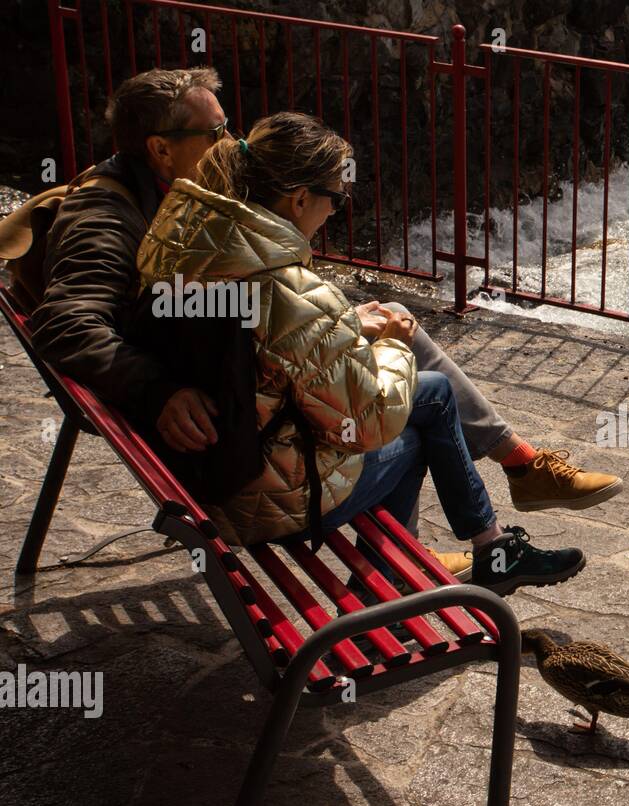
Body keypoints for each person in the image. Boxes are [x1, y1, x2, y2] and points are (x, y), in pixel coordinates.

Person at [27, 67, 621, 576]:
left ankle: (510, 467)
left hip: (227, 423)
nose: (231, 141)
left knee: (398, 338)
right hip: (234, 459)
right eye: (216, 132)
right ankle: (443, 548)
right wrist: (160, 389)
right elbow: (65, 321)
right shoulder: (111, 214)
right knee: (420, 397)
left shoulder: (183, 223)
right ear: (160, 148)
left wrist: (332, 330)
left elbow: (234, 320)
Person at [134, 110, 585, 596]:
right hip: (262, 500)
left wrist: (344, 326)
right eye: (335, 199)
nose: (334, 212)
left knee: (428, 395)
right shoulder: (284, 287)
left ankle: (481, 546)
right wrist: (391, 339)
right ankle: (409, 580)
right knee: (423, 413)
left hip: (201, 467)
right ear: (300, 197)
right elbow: (368, 422)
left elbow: (256, 351)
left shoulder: (181, 245)